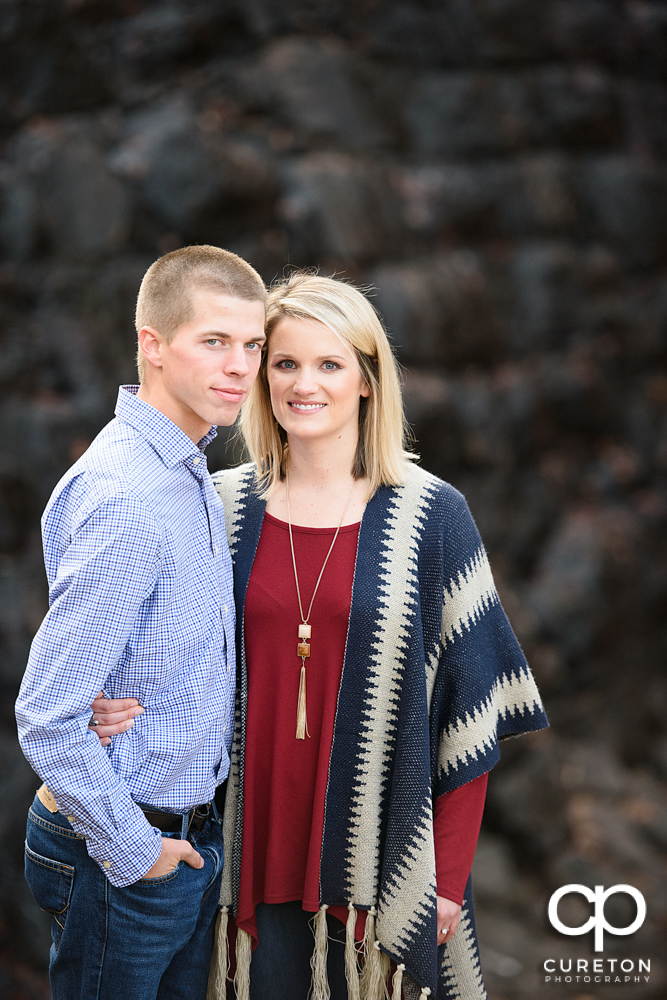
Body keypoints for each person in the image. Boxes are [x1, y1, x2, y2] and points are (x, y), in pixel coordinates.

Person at [94, 273, 549, 1000]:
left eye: (329, 364)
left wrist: (449, 882)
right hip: (234, 851)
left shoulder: (432, 516)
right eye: (284, 363)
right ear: (260, 376)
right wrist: (100, 700)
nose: (304, 384)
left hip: (375, 858)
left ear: (368, 381)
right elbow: (142, 643)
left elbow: (470, 708)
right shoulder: (216, 504)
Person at [15, 245, 267, 1000]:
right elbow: (48, 717)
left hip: (181, 835)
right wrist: (137, 852)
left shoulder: (182, 470)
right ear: (151, 345)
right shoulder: (128, 497)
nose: (240, 366)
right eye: (214, 341)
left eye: (252, 345)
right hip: (123, 851)